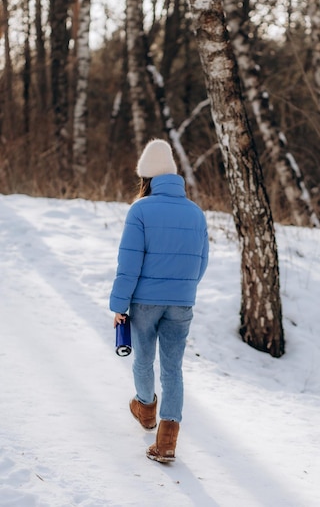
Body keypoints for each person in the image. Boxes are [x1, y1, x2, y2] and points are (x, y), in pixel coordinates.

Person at [109, 139, 209, 463]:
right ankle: (167, 441)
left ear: (146, 178)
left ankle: (146, 409)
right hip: (181, 303)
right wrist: (183, 289)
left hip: (145, 302)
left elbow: (129, 263)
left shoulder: (140, 210)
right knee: (173, 368)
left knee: (142, 359)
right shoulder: (196, 214)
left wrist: (119, 305)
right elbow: (202, 262)